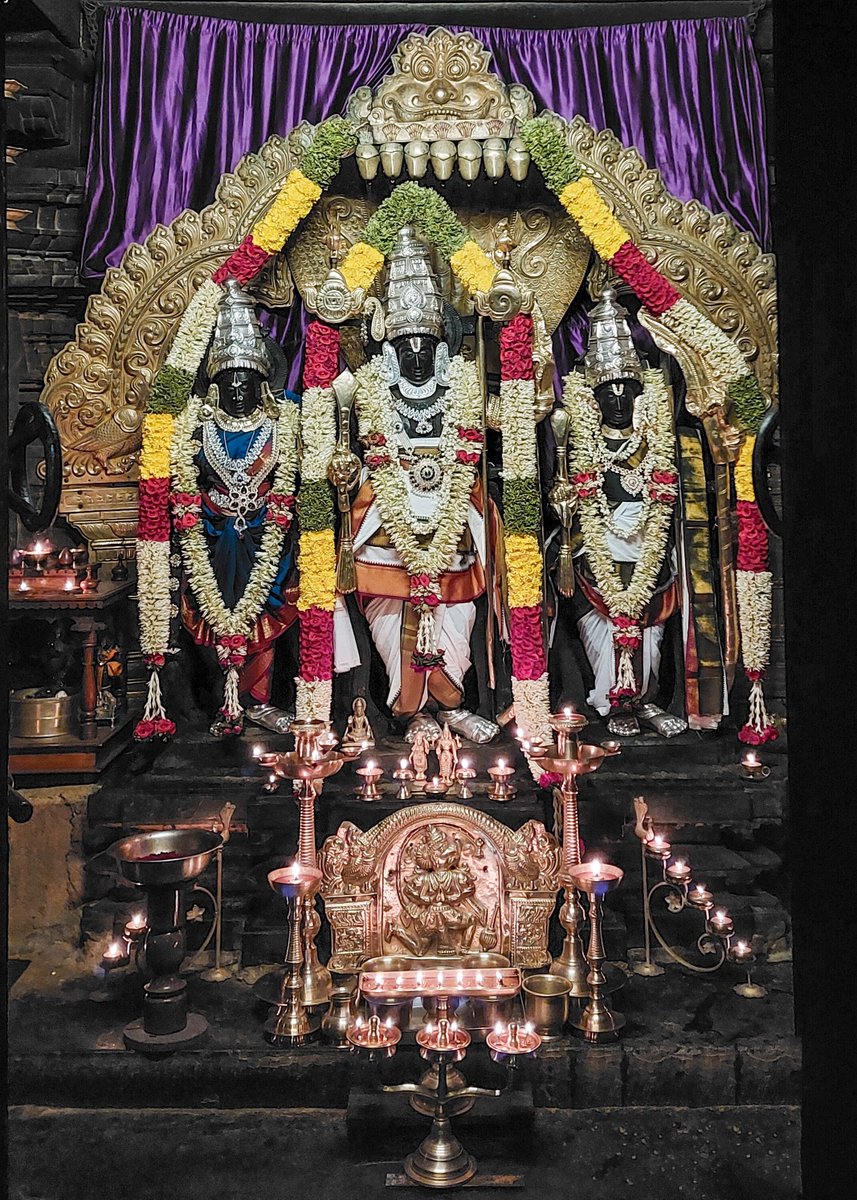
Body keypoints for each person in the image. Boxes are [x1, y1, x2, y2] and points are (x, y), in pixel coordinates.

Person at [333, 227, 500, 745]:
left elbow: (485, 437)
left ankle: (452, 707)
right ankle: (412, 714)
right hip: (388, 521)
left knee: (457, 617)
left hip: (452, 516)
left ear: (440, 346)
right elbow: (358, 455)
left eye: (426, 345)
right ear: (391, 348)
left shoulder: (463, 389)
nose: (417, 356)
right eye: (406, 346)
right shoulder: (369, 392)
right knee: (392, 617)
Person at [552, 288, 726, 736]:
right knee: (603, 638)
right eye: (607, 394)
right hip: (598, 556)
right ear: (594, 399)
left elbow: (669, 497)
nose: (617, 402)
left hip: (649, 548)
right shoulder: (579, 440)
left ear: (637, 394)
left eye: (624, 393)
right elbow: (568, 500)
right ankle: (614, 704)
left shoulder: (658, 442)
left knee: (650, 641)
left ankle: (645, 702)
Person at [177, 280, 298, 737]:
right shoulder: (199, 429)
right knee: (215, 607)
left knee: (262, 607)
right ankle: (225, 702)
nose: (238, 391)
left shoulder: (280, 426)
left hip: (267, 531)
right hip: (213, 534)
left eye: (246, 382)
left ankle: (258, 702)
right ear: (215, 387)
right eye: (228, 382)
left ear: (262, 384)